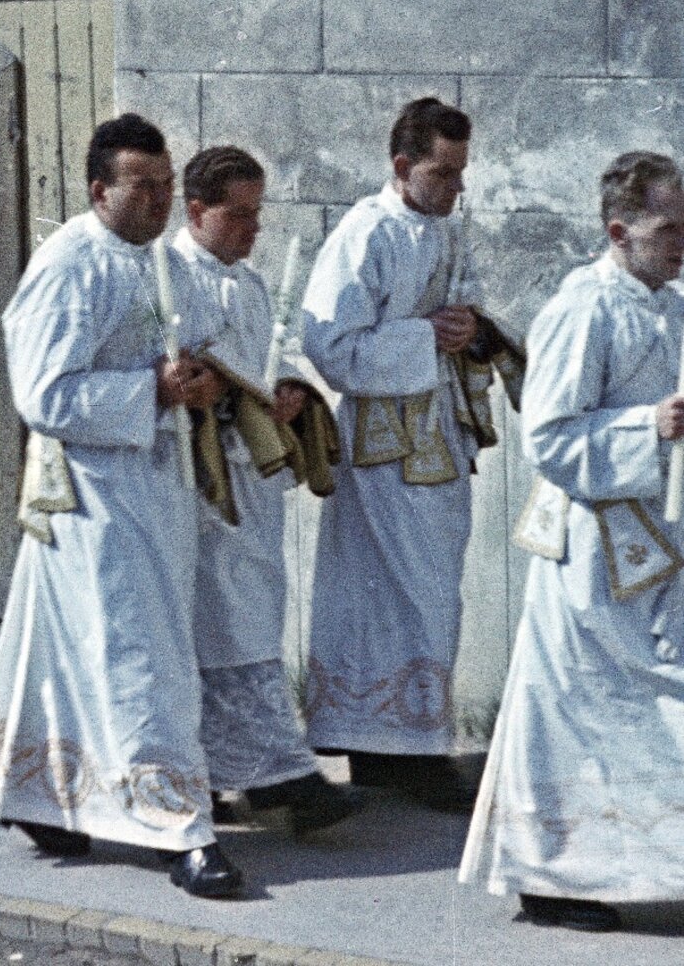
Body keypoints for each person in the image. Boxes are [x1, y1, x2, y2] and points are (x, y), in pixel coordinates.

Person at [0, 114, 244, 899]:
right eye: (141, 186)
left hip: (159, 483)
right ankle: (178, 827)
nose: (158, 200)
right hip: (95, 494)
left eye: (165, 185)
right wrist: (152, 389)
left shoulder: (161, 260)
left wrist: (205, 378)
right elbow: (44, 395)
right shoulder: (68, 264)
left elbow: (202, 337)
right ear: (98, 190)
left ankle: (45, 798)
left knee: (80, 652)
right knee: (138, 657)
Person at [459, 151, 684, 932]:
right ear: (618, 231)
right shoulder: (581, 308)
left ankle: (645, 866)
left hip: (659, 537)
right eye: (667, 229)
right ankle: (547, 875)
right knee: (573, 713)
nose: (681, 243)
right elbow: (549, 437)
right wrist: (647, 426)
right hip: (591, 547)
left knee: (648, 707)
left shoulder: (671, 306)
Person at [300, 97, 485, 810]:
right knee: (388, 593)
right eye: (442, 173)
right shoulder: (364, 233)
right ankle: (393, 751)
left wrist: (469, 328)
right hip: (381, 448)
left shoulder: (447, 229)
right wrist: (422, 337)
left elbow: (466, 308)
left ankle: (408, 742)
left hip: (438, 436)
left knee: (434, 587)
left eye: (461, 173)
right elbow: (329, 346)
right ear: (402, 166)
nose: (455, 187)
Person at [173, 145, 362, 832]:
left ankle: (246, 774)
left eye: (258, 213)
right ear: (197, 210)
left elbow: (267, 360)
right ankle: (275, 777)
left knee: (251, 617)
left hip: (251, 480)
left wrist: (285, 389)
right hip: (201, 481)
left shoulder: (250, 285)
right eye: (239, 215)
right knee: (218, 624)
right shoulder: (170, 280)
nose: (254, 229)